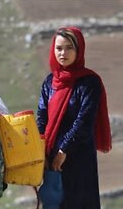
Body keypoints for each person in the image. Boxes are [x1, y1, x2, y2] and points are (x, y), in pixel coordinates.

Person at [36, 26, 112, 209]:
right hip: (51, 156)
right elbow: (41, 117)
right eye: (59, 48)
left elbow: (84, 122)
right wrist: (41, 150)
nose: (63, 53)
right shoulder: (49, 82)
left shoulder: (89, 82)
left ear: (79, 50)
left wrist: (64, 151)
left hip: (79, 157)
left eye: (69, 47)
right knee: (54, 202)